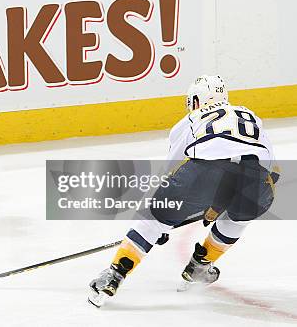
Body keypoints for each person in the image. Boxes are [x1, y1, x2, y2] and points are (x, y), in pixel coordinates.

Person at [88, 75, 277, 307]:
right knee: (239, 219)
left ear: (197, 100)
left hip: (207, 170)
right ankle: (200, 266)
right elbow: (269, 164)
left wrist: (164, 220)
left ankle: (114, 275)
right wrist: (222, 202)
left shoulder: (190, 119)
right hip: (257, 179)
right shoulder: (249, 114)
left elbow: (171, 170)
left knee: (153, 218)